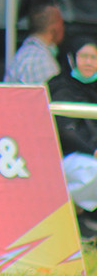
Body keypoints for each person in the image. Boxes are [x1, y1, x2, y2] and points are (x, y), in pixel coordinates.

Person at [47, 37, 97, 242]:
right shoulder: (59, 86)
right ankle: (69, 209)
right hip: (66, 156)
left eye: (94, 57)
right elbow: (65, 131)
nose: (89, 62)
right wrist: (93, 150)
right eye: (83, 56)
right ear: (71, 59)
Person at [4, 3, 64, 84]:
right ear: (55, 28)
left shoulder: (27, 53)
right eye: (62, 24)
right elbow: (51, 95)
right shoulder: (40, 60)